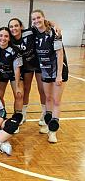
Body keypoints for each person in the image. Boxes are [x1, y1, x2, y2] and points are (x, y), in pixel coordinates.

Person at [31, 9, 68, 143]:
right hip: (45, 70)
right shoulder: (35, 32)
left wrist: (58, 75)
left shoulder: (54, 33)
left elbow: (60, 54)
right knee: (48, 98)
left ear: (43, 18)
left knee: (57, 101)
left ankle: (53, 132)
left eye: (38, 18)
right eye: (34, 19)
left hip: (58, 71)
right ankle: (47, 124)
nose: (36, 21)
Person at [8, 18, 46, 125]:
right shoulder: (10, 39)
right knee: (25, 89)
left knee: (42, 89)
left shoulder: (29, 32)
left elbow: (44, 24)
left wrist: (55, 25)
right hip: (26, 67)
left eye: (16, 25)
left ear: (21, 26)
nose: (14, 28)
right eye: (11, 26)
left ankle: (44, 114)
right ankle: (23, 114)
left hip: (37, 64)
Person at [0, 27, 24, 130]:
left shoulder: (15, 50)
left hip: (14, 74)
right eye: (0, 35)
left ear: (9, 38)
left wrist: (17, 86)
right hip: (1, 74)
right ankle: (2, 116)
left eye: (6, 36)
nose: (3, 38)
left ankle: (16, 119)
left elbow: (17, 69)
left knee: (19, 94)